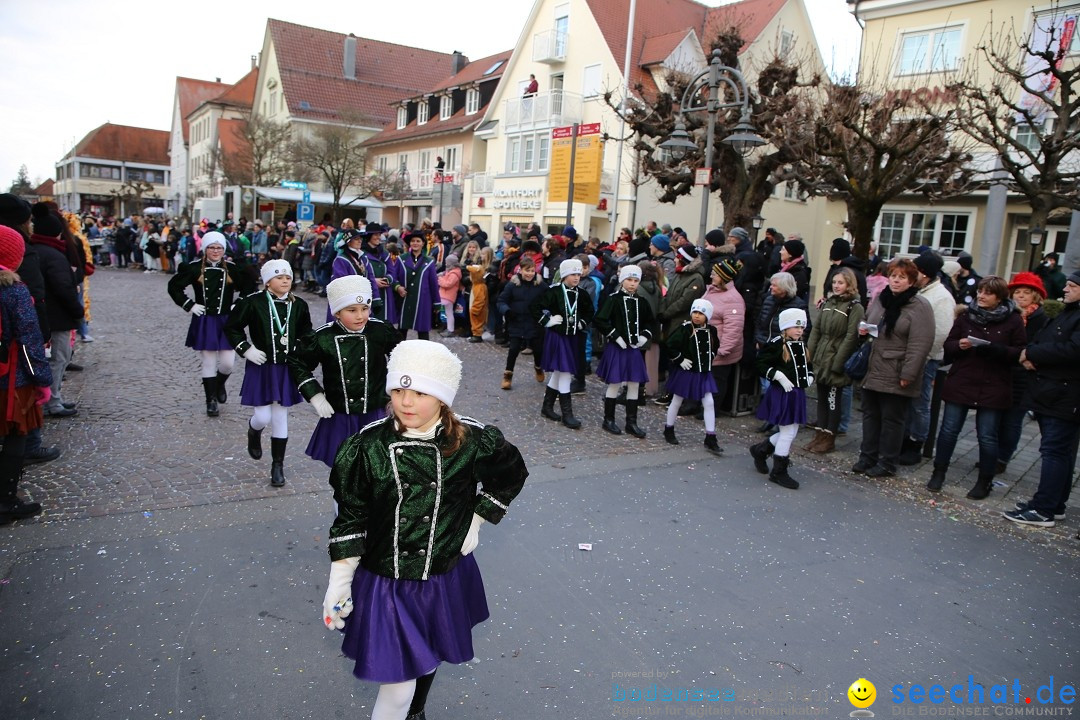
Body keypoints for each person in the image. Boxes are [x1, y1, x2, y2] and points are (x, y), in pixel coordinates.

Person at [321, 340, 528, 720]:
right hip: (389, 582)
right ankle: (408, 709)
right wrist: (339, 579)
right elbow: (351, 514)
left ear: (443, 398)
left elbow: (510, 475)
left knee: (430, 649)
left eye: (419, 392)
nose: (406, 402)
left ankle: (416, 712)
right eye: (398, 390)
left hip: (442, 574)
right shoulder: (366, 448)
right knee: (396, 688)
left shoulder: (473, 441)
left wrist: (476, 517)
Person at [927, 275, 1026, 498]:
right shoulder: (966, 316)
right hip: (963, 380)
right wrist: (959, 345)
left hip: (994, 384)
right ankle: (938, 472)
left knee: (987, 435)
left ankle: (984, 481)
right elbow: (948, 346)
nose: (981, 296)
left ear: (999, 297)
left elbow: (1019, 353)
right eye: (980, 291)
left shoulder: (1013, 320)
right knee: (949, 430)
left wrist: (994, 349)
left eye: (987, 293)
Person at [289, 275, 401, 468]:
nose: (360, 316)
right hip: (341, 415)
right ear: (337, 313)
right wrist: (315, 395)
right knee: (343, 469)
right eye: (352, 310)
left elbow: (403, 356)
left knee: (377, 467)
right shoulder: (323, 337)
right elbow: (298, 362)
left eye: (365, 308)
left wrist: (397, 391)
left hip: (375, 412)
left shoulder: (380, 330)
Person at [1002, 271, 1080, 528]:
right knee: (1061, 452)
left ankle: (1044, 508)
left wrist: (1033, 353)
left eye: (1071, 286)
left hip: (1065, 395)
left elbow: (1072, 350)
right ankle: (1053, 504)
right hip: (1053, 392)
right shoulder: (1069, 312)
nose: (1065, 289)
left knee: (1055, 452)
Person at [224, 260, 313, 487]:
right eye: (279, 277)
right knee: (263, 416)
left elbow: (307, 333)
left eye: (288, 277)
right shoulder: (253, 303)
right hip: (261, 365)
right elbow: (232, 327)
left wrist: (302, 352)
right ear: (267, 282)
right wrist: (246, 349)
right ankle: (254, 431)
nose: (285, 280)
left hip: (286, 368)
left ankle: (277, 466)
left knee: (281, 416)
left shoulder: (300, 305)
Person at [851, 258, 935, 478]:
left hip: (897, 368)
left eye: (902, 277)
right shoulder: (882, 298)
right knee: (870, 414)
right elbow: (870, 321)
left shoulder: (920, 306)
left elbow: (920, 343)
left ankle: (888, 461)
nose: (896, 281)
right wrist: (863, 330)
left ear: (911, 281)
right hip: (875, 365)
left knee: (892, 419)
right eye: (894, 276)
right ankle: (867, 456)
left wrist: (909, 373)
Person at [0, 225, 52, 523]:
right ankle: (6, 500)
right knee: (15, 436)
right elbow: (29, 339)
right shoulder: (14, 290)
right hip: (11, 380)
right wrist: (42, 381)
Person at [168, 232, 252, 416]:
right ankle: (210, 400)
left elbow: (249, 286)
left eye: (219, 247)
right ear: (205, 249)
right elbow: (174, 286)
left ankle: (219, 384)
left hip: (227, 320)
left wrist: (238, 303)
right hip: (205, 320)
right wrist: (189, 305)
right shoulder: (194, 268)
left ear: (224, 249)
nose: (215, 251)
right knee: (208, 362)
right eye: (212, 247)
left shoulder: (232, 268)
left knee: (228, 363)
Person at [29, 203, 84, 419]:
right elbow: (63, 288)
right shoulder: (53, 255)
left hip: (44, 313)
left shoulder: (34, 250)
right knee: (59, 358)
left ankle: (52, 398)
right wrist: (78, 311)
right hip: (58, 316)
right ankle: (53, 400)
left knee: (50, 358)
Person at [749, 308, 814, 489]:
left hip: (797, 393)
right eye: (795, 327)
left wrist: (810, 376)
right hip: (782, 393)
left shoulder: (801, 343)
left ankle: (761, 450)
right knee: (787, 432)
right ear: (786, 327)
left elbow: (808, 365)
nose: (800, 331)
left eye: (802, 327)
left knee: (792, 432)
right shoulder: (776, 343)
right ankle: (778, 472)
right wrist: (778, 376)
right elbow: (761, 363)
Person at [995, 272, 1050, 472]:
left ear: (1035, 296)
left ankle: (1002, 458)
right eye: (1017, 292)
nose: (1021, 296)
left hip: (1023, 377)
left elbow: (1038, 347)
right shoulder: (1006, 314)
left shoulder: (1040, 319)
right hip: (1003, 371)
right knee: (996, 419)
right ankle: (992, 454)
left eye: (1027, 293)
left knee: (1012, 420)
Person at [805, 268, 864, 454]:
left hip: (836, 356)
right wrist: (810, 353)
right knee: (821, 398)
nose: (836, 286)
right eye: (835, 282)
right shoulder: (829, 303)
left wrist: (838, 363)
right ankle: (819, 434)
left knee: (832, 399)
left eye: (841, 283)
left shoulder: (855, 307)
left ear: (849, 284)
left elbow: (850, 337)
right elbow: (817, 330)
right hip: (822, 355)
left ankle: (829, 437)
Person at [531, 258, 594, 429]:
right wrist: (548, 321)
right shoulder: (555, 292)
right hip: (558, 337)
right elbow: (535, 308)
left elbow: (590, 311)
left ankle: (547, 406)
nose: (576, 277)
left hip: (573, 337)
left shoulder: (582, 294)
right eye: (573, 274)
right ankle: (568, 414)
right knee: (565, 372)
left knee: (559, 372)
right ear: (565, 274)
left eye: (579, 274)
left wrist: (581, 322)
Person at [594, 264, 654, 438]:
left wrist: (644, 336)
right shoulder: (614, 299)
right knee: (615, 383)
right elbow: (601, 320)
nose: (633, 283)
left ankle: (631, 422)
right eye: (629, 280)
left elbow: (650, 322)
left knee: (634, 383)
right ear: (622, 281)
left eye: (636, 280)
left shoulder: (642, 302)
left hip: (634, 349)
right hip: (617, 347)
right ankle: (609, 419)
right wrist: (616, 336)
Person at [662, 298, 723, 455]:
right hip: (687, 371)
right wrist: (680, 359)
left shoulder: (712, 331)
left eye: (701, 313)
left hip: (703, 371)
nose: (696, 316)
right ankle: (668, 428)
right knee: (677, 399)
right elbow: (670, 345)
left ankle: (710, 436)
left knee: (709, 402)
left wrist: (712, 355)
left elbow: (716, 345)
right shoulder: (685, 329)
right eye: (694, 312)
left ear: (707, 316)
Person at [701, 258, 745, 418]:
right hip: (707, 347)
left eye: (715, 273)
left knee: (717, 381)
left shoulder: (732, 298)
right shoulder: (711, 291)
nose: (711, 275)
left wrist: (723, 349)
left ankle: (713, 410)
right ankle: (704, 407)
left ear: (724, 277)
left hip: (719, 350)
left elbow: (734, 328)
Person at [496, 256, 547, 390]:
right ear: (521, 270)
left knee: (538, 349)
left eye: (532, 270)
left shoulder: (540, 284)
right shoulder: (513, 284)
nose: (530, 273)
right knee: (513, 349)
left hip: (534, 322)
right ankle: (508, 375)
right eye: (527, 270)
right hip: (516, 321)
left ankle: (538, 367)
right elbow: (501, 301)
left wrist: (545, 313)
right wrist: (507, 311)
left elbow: (549, 299)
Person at [398, 232, 441, 340]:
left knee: (423, 333)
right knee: (401, 332)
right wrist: (397, 287)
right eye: (413, 241)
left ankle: (423, 355)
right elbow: (394, 278)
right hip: (405, 300)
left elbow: (433, 284)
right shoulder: (401, 259)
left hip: (423, 301)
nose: (415, 243)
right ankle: (399, 354)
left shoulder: (429, 262)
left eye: (418, 241)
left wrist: (437, 303)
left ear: (423, 244)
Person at [465, 247, 493, 343]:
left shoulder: (489, 269)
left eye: (483, 254)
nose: (481, 256)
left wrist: (475, 309)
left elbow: (480, 299)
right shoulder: (480, 266)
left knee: (479, 317)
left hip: (485, 296)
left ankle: (477, 334)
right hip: (476, 291)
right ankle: (475, 333)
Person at [437, 254, 463, 337]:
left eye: (447, 262)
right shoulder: (450, 271)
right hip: (445, 295)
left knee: (448, 313)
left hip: (447, 296)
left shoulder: (454, 274)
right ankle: (448, 329)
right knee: (447, 313)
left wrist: (440, 279)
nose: (445, 264)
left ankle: (450, 330)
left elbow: (447, 284)